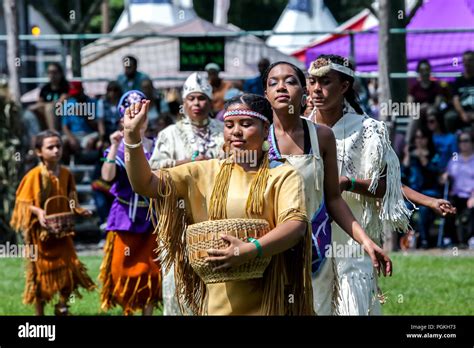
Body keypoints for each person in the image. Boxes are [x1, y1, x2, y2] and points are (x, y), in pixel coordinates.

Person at [123, 94, 318, 315]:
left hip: (272, 302)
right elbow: (145, 184)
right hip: (216, 305)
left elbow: (295, 226)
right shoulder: (204, 171)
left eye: (246, 124)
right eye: (229, 125)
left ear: (266, 129)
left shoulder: (283, 174)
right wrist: (132, 138)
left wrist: (250, 250)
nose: (236, 131)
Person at [305, 54, 455, 314]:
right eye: (312, 82)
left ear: (344, 86)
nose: (317, 89)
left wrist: (428, 200)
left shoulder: (368, 130)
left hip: (355, 233)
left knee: (355, 305)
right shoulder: (299, 130)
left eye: (325, 81)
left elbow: (387, 184)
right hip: (310, 233)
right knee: (314, 304)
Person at [263, 61, 393, 315]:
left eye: (290, 81)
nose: (281, 87)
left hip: (317, 248)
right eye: (273, 83)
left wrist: (366, 241)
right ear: (266, 94)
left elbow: (333, 198)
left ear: (303, 92)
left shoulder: (321, 136)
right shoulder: (258, 140)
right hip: (273, 248)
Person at [149, 72, 224, 315]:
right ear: (183, 103)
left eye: (202, 98)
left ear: (210, 102)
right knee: (176, 285)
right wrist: (182, 164)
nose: (197, 104)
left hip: (216, 218)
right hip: (178, 219)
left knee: (217, 283)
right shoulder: (169, 135)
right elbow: (152, 173)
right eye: (191, 99)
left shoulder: (224, 131)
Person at [10, 130, 95, 316]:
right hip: (41, 236)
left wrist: (79, 210)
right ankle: (39, 315)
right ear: (40, 152)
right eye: (50, 147)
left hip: (62, 232)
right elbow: (23, 202)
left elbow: (71, 197)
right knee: (41, 276)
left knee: (70, 269)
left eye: (58, 146)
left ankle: (62, 306)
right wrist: (39, 212)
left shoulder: (66, 173)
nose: (56, 150)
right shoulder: (33, 175)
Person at [99, 90, 162, 316]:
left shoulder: (157, 145)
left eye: (141, 114)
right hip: (124, 217)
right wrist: (114, 146)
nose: (138, 119)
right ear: (122, 119)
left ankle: (147, 312)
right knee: (121, 270)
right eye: (131, 113)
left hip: (152, 219)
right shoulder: (118, 147)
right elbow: (107, 176)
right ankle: (128, 310)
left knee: (153, 271)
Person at [402, 127, 443, 248]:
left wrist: (423, 158)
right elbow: (402, 174)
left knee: (424, 211)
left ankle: (424, 241)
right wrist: (407, 156)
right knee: (404, 208)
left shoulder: (434, 155)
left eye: (422, 137)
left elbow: (436, 173)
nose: (419, 140)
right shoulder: (411, 156)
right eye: (417, 138)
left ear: (427, 139)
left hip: (430, 193)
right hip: (413, 193)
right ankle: (407, 239)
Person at [442, 131, 474, 246]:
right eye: (461, 141)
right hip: (456, 195)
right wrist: (445, 176)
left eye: (466, 140)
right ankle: (450, 239)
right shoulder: (454, 159)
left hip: (470, 195)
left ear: (472, 143)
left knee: (470, 209)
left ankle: (470, 238)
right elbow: (446, 175)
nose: (463, 144)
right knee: (447, 207)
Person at [29, 62, 70, 131]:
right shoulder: (45, 88)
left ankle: (53, 133)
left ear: (60, 73)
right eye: (49, 72)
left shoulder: (66, 87)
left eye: (54, 72)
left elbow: (61, 102)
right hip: (45, 113)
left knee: (50, 108)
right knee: (29, 112)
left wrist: (46, 105)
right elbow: (39, 104)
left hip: (62, 113)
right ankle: (34, 137)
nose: (51, 75)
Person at [449, 51, 474, 132]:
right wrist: (462, 113)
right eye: (465, 60)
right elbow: (455, 100)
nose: (467, 63)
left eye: (470, 60)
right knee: (449, 117)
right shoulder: (458, 81)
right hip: (462, 111)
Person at [96, 81, 123, 146]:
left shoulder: (122, 103)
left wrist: (119, 135)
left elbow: (122, 121)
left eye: (115, 90)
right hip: (106, 133)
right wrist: (102, 139)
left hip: (120, 132)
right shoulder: (101, 102)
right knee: (102, 145)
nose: (112, 93)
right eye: (110, 90)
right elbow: (100, 122)